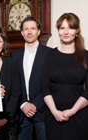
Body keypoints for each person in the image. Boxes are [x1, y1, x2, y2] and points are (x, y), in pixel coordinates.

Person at [41, 12, 88, 140]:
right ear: (58, 31)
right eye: (62, 28)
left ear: (77, 31)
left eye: (70, 27)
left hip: (79, 115)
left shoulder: (86, 56)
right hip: (53, 116)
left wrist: (72, 111)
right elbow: (44, 87)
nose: (66, 32)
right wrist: (54, 111)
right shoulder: (50, 55)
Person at [11, 16, 51, 140]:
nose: (29, 32)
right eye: (26, 29)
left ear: (38, 31)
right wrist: (23, 104)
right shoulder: (15, 55)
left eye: (33, 28)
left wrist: (36, 104)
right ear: (22, 33)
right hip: (22, 113)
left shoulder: (50, 53)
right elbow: (14, 83)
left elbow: (52, 82)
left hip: (42, 111)